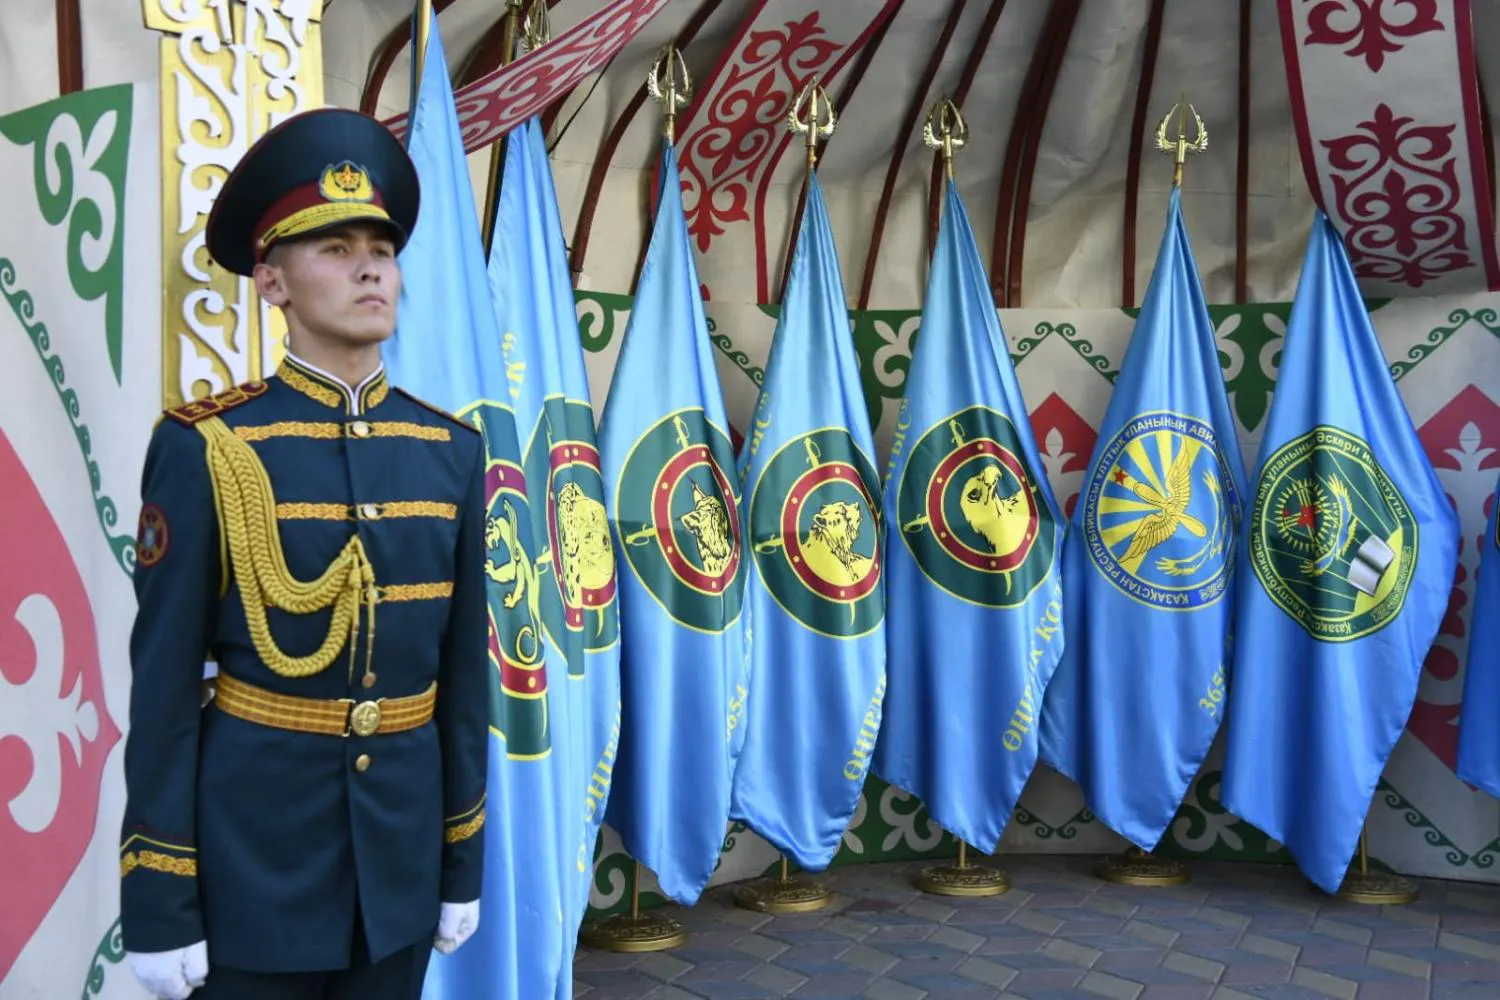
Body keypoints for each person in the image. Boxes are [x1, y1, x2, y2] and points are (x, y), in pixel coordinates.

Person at [117, 107, 490, 999]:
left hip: (398, 864)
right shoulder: (209, 447)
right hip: (253, 869)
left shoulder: (450, 451)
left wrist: (459, 860)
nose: (368, 265)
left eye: (382, 248)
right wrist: (159, 898)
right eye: (332, 247)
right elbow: (165, 689)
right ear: (272, 282)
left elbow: (462, 682)